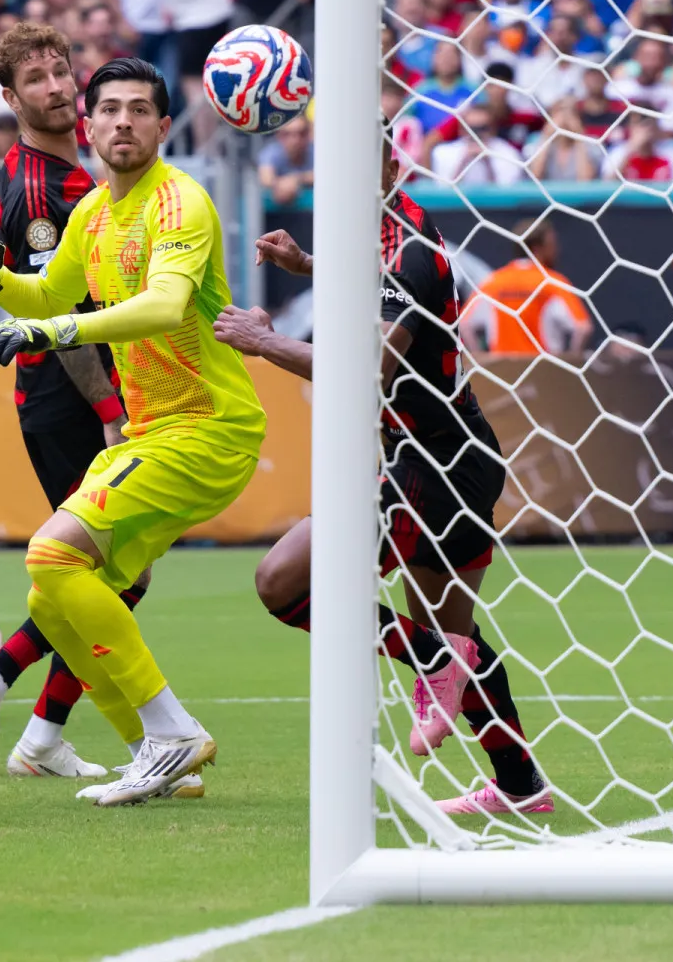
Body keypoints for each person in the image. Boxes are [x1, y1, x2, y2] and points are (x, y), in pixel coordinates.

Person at [0, 57, 266, 806]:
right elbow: (48, 289)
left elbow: (161, 307)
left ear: (161, 125)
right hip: (154, 431)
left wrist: (47, 329)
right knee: (61, 589)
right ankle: (147, 752)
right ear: (88, 126)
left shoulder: (180, 203)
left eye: (139, 110)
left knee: (52, 553)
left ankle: (170, 732)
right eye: (110, 109)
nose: (123, 121)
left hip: (208, 428)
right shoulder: (92, 213)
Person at [212, 137, 549, 817]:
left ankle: (436, 663)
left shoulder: (411, 253)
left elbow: (371, 373)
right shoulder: (391, 234)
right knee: (454, 634)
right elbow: (380, 291)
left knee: (282, 580)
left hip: (436, 467)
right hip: (446, 459)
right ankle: (519, 783)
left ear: (393, 168)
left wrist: (264, 342)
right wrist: (308, 264)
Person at [0, 24, 165, 786]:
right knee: (101, 571)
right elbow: (55, 314)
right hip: (69, 398)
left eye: (62, 71)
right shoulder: (39, 187)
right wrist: (107, 408)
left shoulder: (78, 167)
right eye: (36, 80)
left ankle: (35, 732)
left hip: (92, 391)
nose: (58, 88)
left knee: (111, 572)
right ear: (10, 98)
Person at [460, 216, 593, 355]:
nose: (557, 250)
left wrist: (481, 360)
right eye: (552, 244)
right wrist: (571, 362)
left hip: (501, 371)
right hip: (543, 369)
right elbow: (583, 328)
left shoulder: (493, 281)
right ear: (536, 248)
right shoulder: (553, 282)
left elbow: (464, 324)